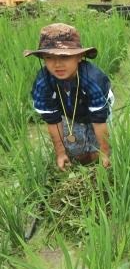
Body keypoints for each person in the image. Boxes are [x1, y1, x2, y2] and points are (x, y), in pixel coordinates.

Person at [24, 23, 114, 171]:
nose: (57, 64)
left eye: (64, 56)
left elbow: (99, 120)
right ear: (43, 59)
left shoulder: (93, 80)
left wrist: (105, 153)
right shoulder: (43, 83)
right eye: (49, 57)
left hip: (97, 110)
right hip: (67, 109)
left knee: (96, 155)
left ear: (79, 57)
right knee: (76, 154)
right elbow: (53, 120)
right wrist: (60, 153)